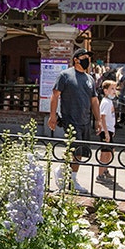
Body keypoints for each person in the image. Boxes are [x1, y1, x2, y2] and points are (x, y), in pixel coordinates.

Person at [48, 48, 105, 194]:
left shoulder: (89, 79)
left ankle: (71, 178)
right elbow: (55, 95)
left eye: (88, 57)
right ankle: (63, 173)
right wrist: (53, 115)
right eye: (84, 57)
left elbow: (94, 100)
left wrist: (98, 120)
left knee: (79, 152)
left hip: (84, 119)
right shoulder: (65, 76)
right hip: (69, 118)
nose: (87, 59)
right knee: (73, 149)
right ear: (76, 59)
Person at [96, 80, 119, 186]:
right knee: (105, 153)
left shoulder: (109, 102)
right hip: (106, 130)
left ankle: (105, 170)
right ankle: (100, 174)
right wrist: (106, 132)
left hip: (109, 129)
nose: (114, 91)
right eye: (112, 89)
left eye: (115, 89)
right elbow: (102, 117)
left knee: (111, 150)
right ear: (105, 91)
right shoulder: (105, 102)